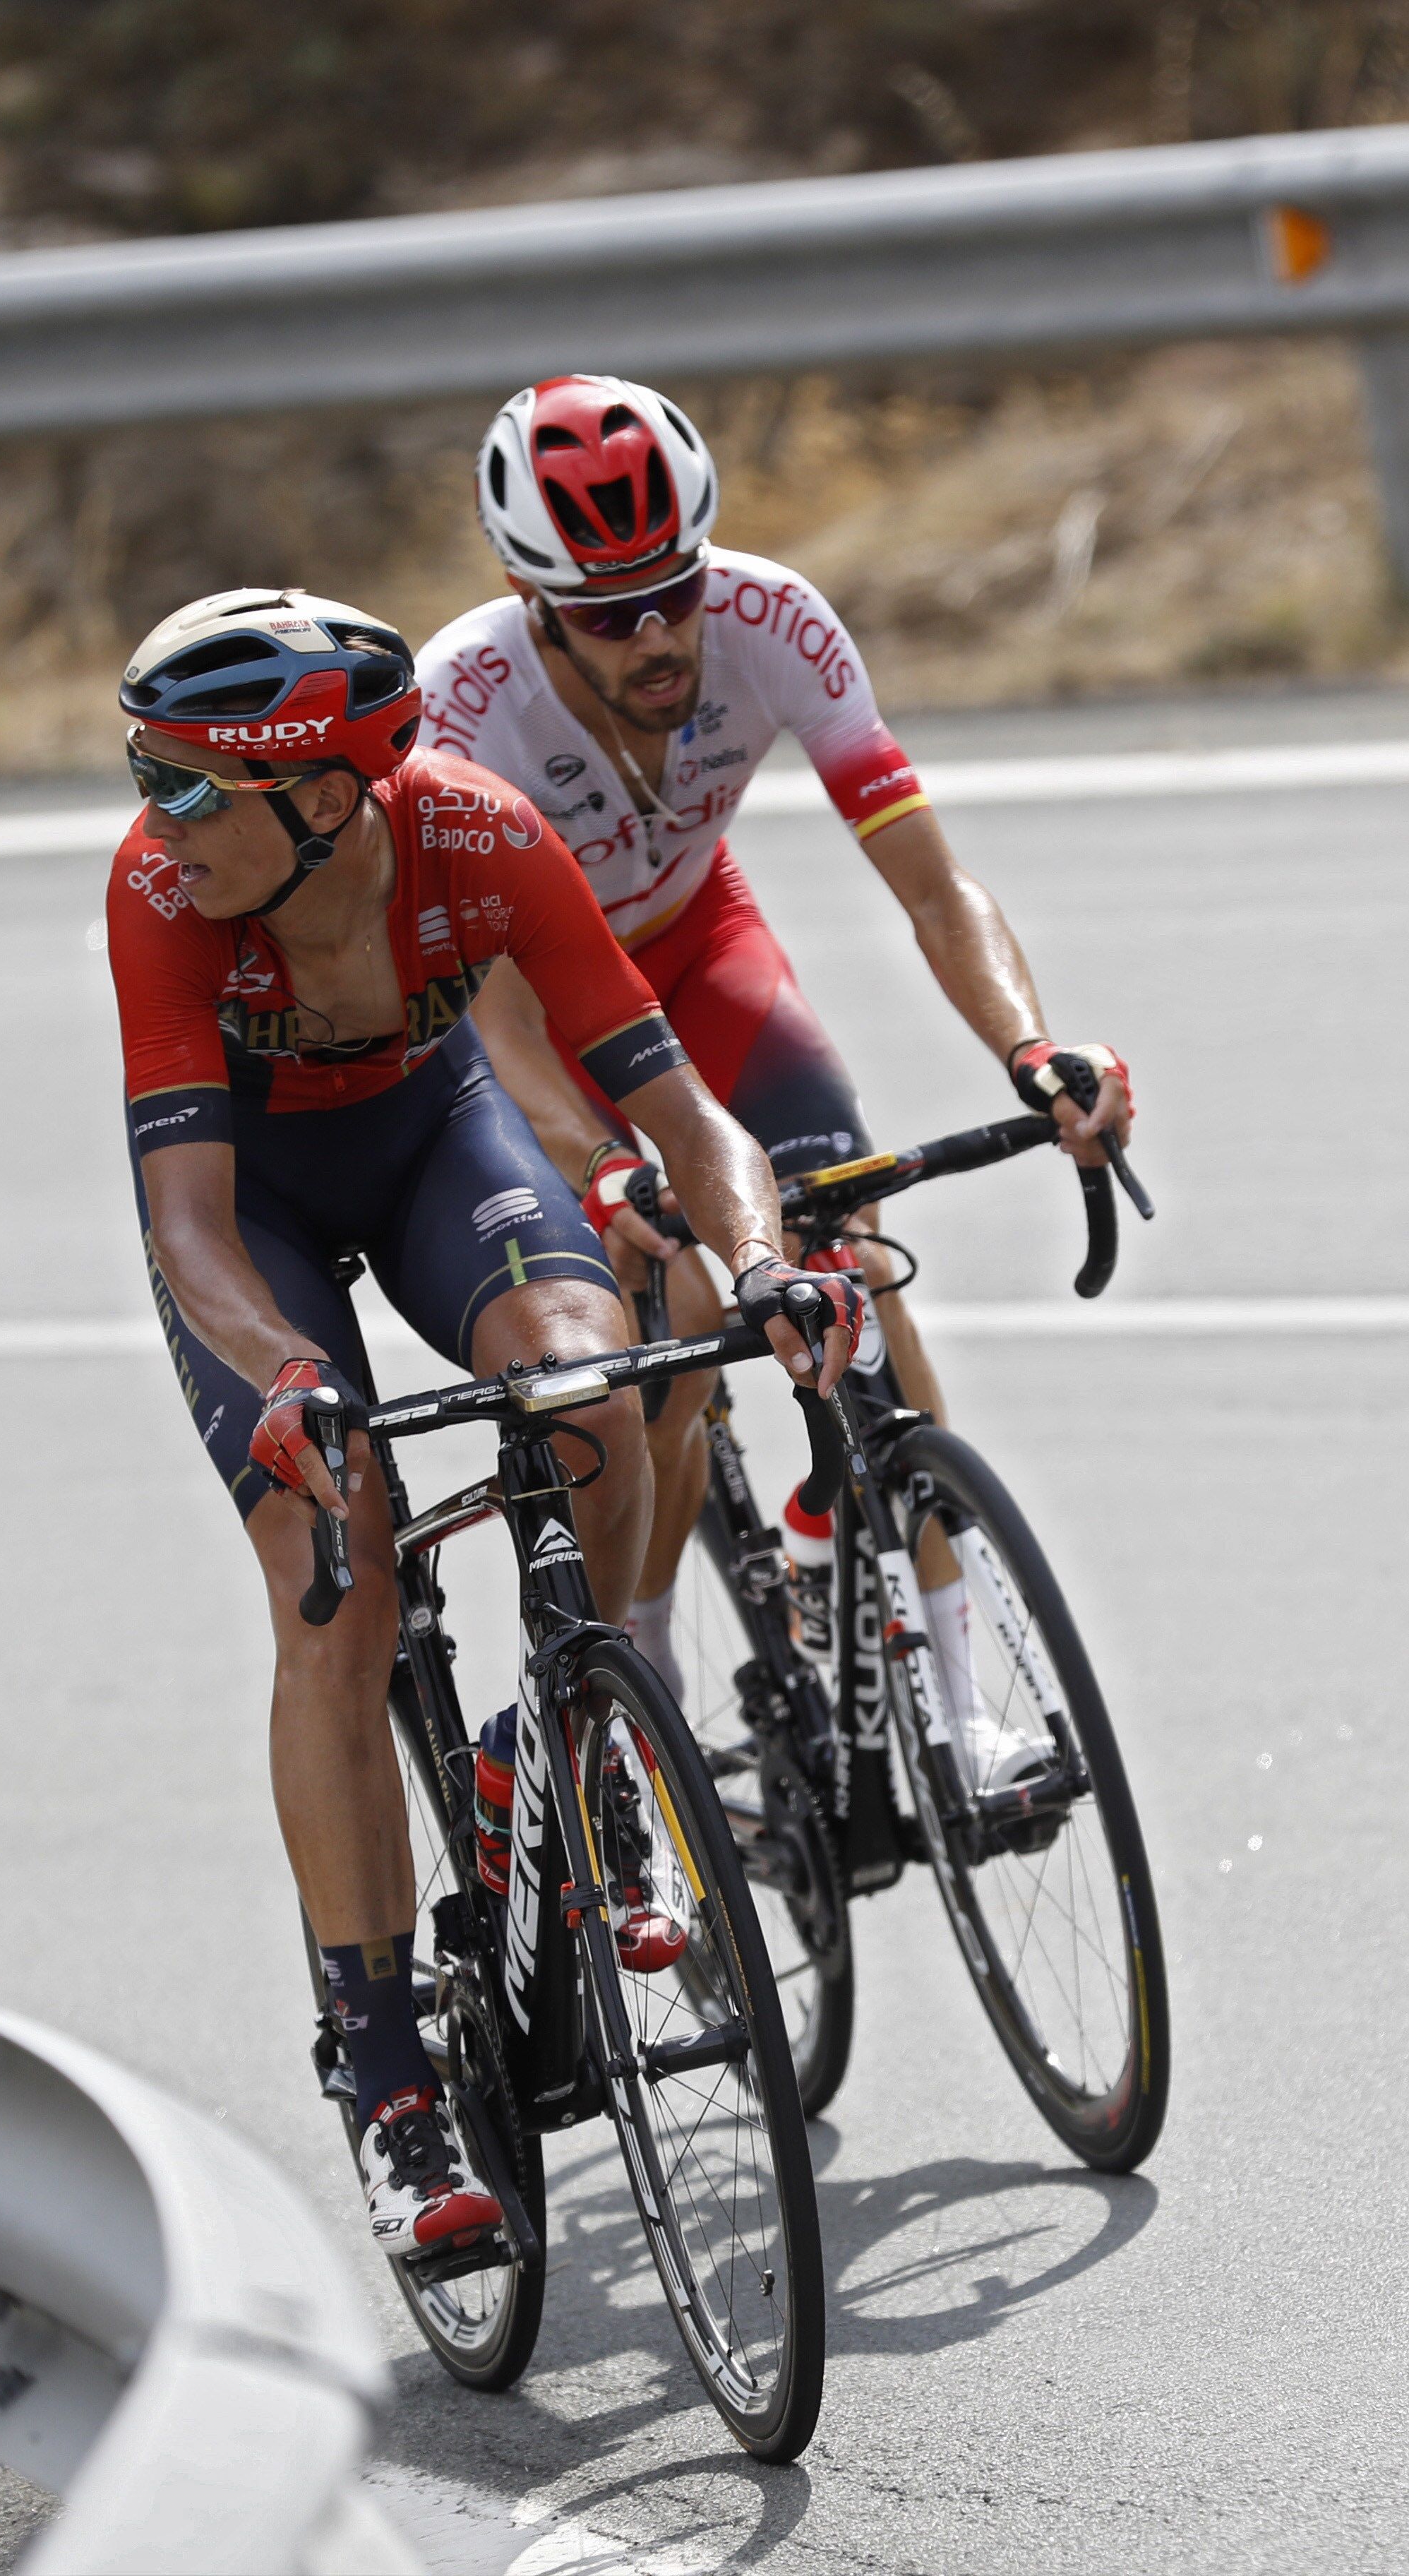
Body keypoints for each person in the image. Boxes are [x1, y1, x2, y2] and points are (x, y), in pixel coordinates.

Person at [102, 585, 861, 2255]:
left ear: (318, 794)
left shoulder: (481, 837)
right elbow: (191, 1231)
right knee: (340, 1574)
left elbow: (685, 1111)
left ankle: (550, 1743)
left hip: (440, 1141)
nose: (152, 818)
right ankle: (385, 2076)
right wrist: (287, 1378)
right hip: (259, 1221)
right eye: (143, 775)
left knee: (594, 1377)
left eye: (184, 782)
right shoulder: (162, 894)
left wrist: (756, 1263)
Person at [416, 374, 1136, 1786]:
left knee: (846, 1247)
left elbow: (931, 881)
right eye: (610, 612)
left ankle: (951, 1705)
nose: (657, 634)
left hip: (699, 945)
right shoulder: (462, 703)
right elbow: (490, 1014)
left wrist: (1030, 1046)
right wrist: (612, 1166)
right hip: (544, 1015)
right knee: (669, 1340)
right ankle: (653, 1685)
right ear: (531, 595)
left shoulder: (773, 619)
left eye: (671, 589)